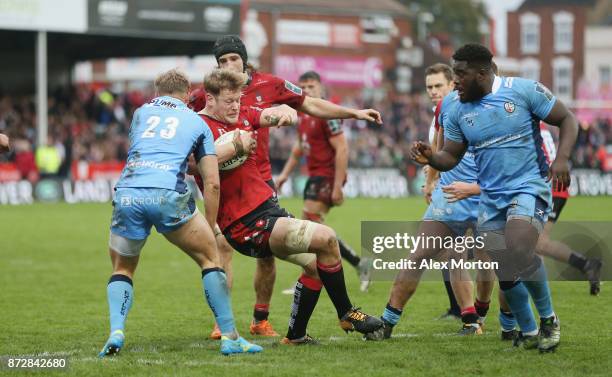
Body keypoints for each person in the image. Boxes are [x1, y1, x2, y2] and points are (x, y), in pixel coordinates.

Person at [189, 35, 383, 339]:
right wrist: (229, 150)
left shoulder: (257, 98)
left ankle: (287, 331)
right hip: (240, 214)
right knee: (226, 251)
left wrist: (291, 113)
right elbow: (192, 160)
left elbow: (293, 109)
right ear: (211, 97)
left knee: (315, 263)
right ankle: (224, 323)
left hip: (264, 196)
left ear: (244, 59)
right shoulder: (202, 112)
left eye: (232, 59)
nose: (228, 66)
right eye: (221, 62)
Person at [410, 43, 578, 352]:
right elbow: (451, 156)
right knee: (504, 264)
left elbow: (568, 119)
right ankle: (528, 330)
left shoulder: (524, 91)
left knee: (518, 244)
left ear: (483, 72)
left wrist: (563, 158)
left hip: (528, 187)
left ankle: (549, 320)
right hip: (490, 197)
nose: (455, 81)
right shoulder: (457, 107)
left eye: (460, 74)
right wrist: (431, 158)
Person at [99, 69, 262, 357]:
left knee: (122, 268)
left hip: (127, 193)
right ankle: (230, 336)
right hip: (166, 195)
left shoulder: (140, 113)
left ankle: (116, 331)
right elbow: (211, 182)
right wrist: (209, 227)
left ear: (156, 91)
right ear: (188, 95)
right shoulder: (196, 121)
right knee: (211, 258)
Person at [365, 64, 495, 341]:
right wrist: (431, 179)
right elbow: (437, 146)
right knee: (422, 256)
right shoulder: (443, 109)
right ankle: (388, 322)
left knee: (487, 262)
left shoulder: (491, 108)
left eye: (439, 86)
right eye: (429, 87)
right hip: (448, 196)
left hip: (483, 195)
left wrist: (474, 187)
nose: (434, 92)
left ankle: (487, 317)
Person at [276, 70, 372, 293]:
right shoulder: (302, 115)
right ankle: (358, 264)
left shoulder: (328, 116)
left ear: (320, 88)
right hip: (315, 176)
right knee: (313, 228)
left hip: (328, 175)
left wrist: (338, 186)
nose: (307, 91)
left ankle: (311, 276)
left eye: (311, 87)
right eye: (303, 87)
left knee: (309, 226)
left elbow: (342, 149)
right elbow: (299, 149)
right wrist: (284, 175)